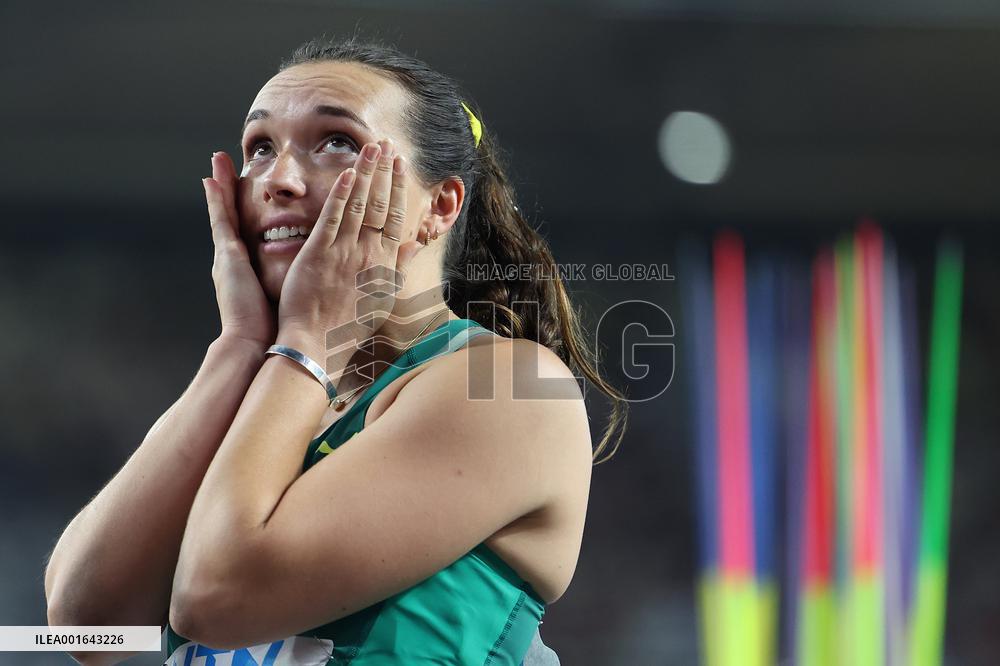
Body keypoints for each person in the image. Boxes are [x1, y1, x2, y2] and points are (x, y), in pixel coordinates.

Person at [44, 34, 628, 665]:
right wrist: (237, 346)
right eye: (260, 148)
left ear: (439, 206)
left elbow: (214, 600)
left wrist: (307, 338)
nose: (278, 179)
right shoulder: (269, 392)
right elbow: (84, 626)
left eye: (336, 142)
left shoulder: (507, 388)